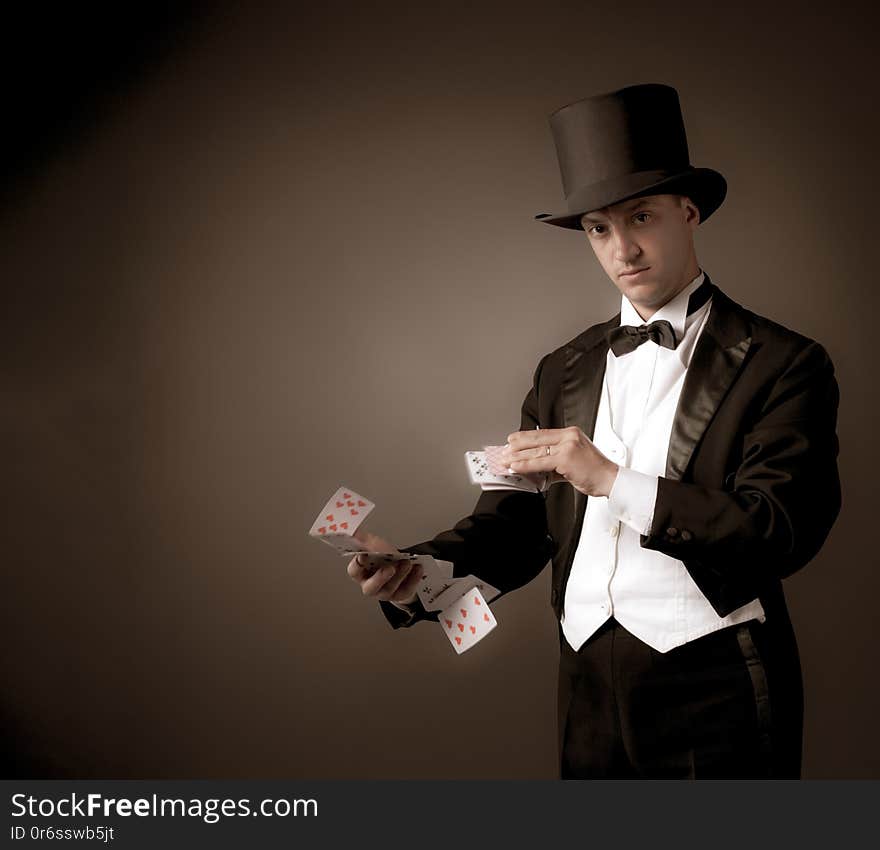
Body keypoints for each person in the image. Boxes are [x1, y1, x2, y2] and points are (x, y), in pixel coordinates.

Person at [346, 84, 841, 778]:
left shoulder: (785, 364)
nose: (622, 249)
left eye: (640, 217)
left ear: (689, 211)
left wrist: (611, 480)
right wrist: (420, 574)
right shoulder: (563, 370)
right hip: (586, 688)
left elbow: (780, 530)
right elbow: (516, 526)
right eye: (599, 229)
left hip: (718, 684)